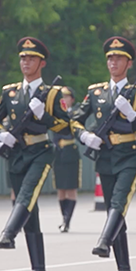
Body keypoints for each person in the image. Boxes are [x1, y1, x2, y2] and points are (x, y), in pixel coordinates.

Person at [71, 36, 136, 271]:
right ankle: (123, 270)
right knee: (113, 212)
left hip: (129, 154)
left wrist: (131, 113)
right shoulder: (96, 92)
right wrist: (85, 136)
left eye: (118, 58)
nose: (113, 62)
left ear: (129, 63)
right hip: (104, 156)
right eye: (110, 58)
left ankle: (103, 242)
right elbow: (75, 119)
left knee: (118, 203)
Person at [0, 37, 69, 271]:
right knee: (28, 208)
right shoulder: (9, 91)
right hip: (16, 154)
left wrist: (43, 115)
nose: (26, 62)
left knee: (26, 195)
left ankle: (8, 234)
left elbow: (65, 127)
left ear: (42, 63)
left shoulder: (53, 93)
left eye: (31, 58)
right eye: (23, 58)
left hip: (40, 151)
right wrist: (0, 134)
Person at [52, 86, 81, 232]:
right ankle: (63, 217)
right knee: (60, 189)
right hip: (58, 152)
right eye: (61, 97)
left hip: (70, 151)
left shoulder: (75, 114)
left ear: (72, 99)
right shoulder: (56, 113)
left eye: (66, 97)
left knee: (70, 188)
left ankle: (67, 221)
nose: (64, 99)